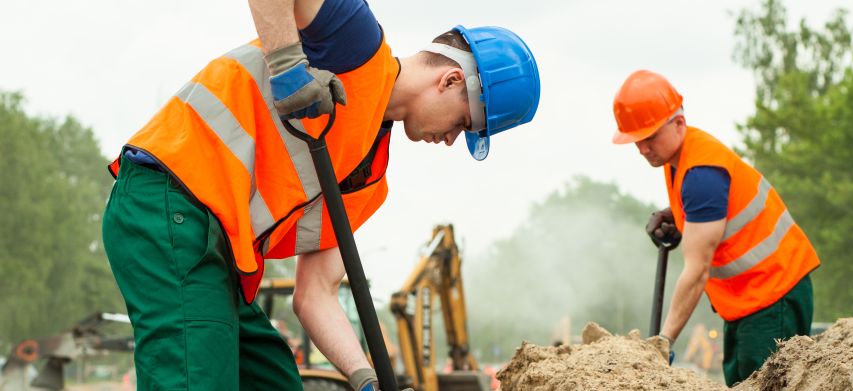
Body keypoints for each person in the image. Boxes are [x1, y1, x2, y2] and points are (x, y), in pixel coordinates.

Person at [101, 0, 540, 389]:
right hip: (168, 199)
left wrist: (366, 380)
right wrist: (288, 64)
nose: (450, 140)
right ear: (449, 80)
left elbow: (315, 294)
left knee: (275, 379)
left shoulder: (367, 177)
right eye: (463, 123)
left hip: (216, 245)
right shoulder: (357, 45)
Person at [611, 70, 820, 386]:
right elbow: (713, 211)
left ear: (678, 124)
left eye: (650, 137)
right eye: (636, 140)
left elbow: (696, 271)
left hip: (773, 292)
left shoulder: (701, 175)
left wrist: (663, 340)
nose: (642, 148)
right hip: (748, 299)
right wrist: (678, 216)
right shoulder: (679, 161)